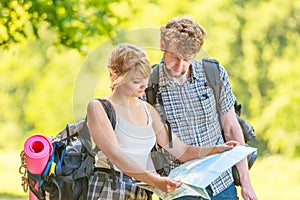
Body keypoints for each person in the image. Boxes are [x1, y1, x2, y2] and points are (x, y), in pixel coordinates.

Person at [86, 43, 238, 200]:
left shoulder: (147, 110)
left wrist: (215, 150)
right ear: (114, 76)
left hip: (141, 192)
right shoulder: (99, 108)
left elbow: (182, 150)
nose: (144, 85)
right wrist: (156, 180)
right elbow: (117, 156)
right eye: (136, 81)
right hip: (110, 190)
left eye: (146, 78)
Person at [147, 17, 257, 200]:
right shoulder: (148, 85)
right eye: (174, 56)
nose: (180, 66)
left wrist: (246, 183)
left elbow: (231, 128)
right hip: (179, 189)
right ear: (162, 44)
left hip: (221, 184)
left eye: (186, 59)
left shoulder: (213, 73)